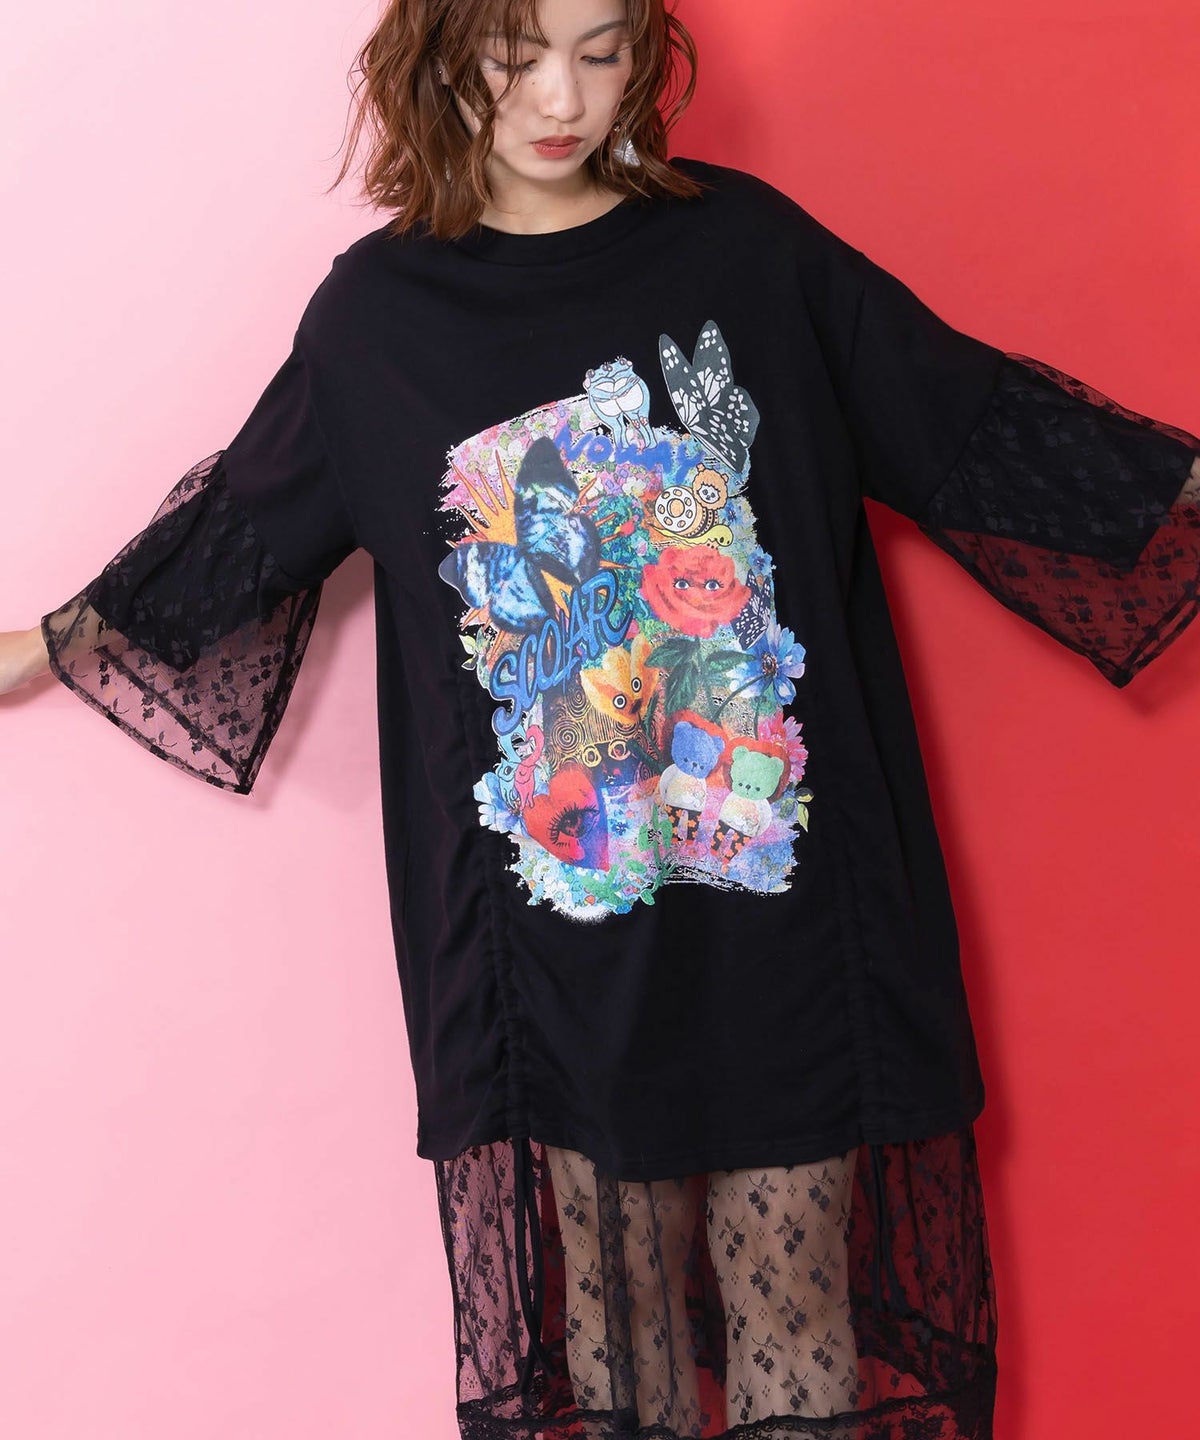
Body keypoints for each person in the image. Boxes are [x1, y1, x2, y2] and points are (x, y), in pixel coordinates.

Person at [3, 1, 1199, 1435]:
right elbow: (244, 534)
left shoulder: (749, 251)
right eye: (515, 57)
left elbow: (967, 418)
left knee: (796, 1295)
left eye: (600, 49)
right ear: (438, 58)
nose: (561, 98)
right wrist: (37, 647)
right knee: (616, 1333)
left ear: (642, 51)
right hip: (552, 941)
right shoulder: (379, 321)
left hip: (787, 904)